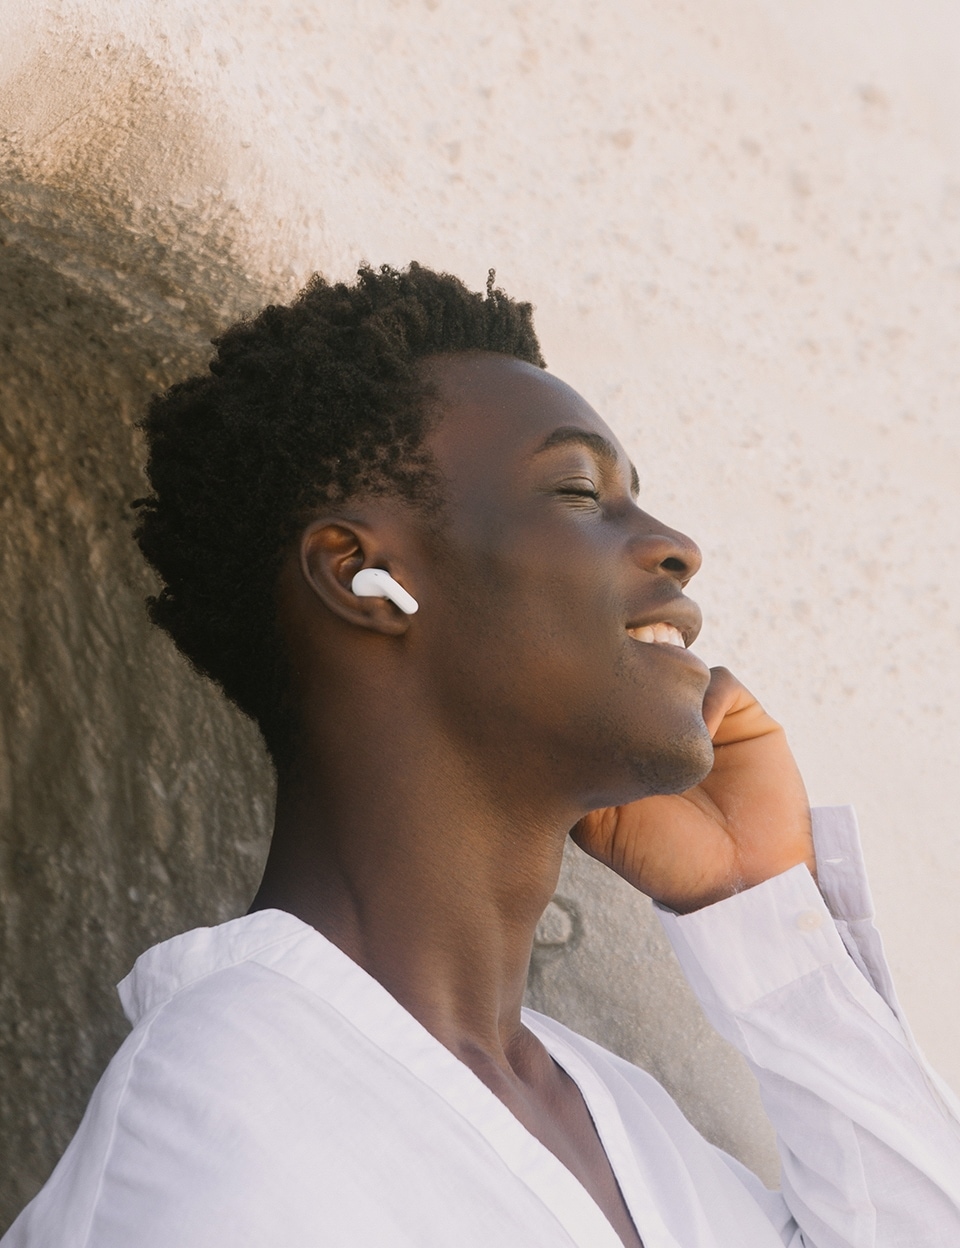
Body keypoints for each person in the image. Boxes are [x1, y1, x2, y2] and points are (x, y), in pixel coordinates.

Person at [5, 263, 960, 1247]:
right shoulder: (223, 1121)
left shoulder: (623, 1123)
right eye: (580, 491)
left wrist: (757, 900)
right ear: (363, 578)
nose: (677, 547)